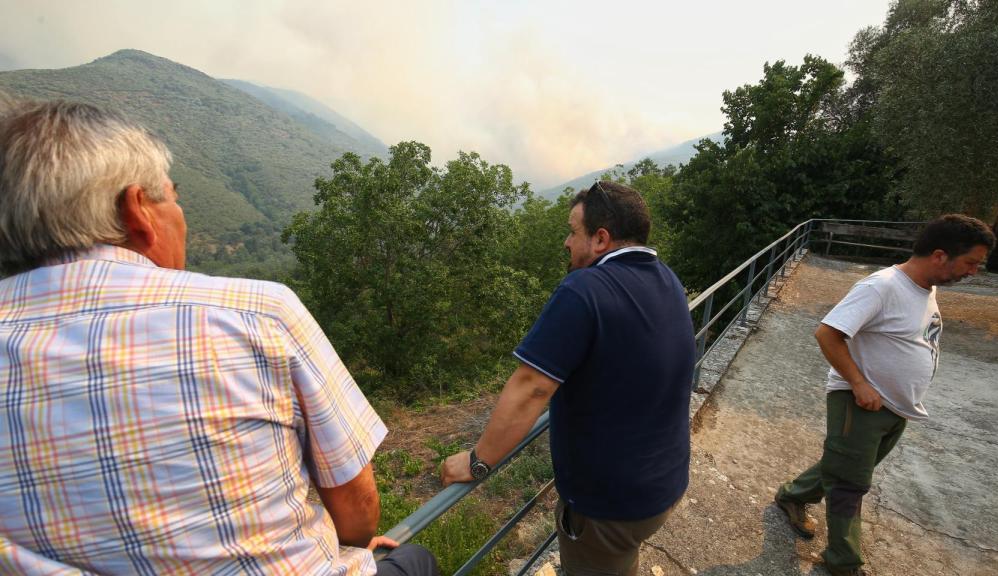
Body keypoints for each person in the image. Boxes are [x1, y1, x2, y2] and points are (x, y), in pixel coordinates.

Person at [0, 100, 438, 576]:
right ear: (137, 211)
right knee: (415, 559)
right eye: (173, 195)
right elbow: (357, 510)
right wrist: (352, 545)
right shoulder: (256, 313)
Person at [441, 181, 696, 576]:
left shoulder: (585, 288)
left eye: (572, 232)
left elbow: (532, 387)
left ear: (600, 239)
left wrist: (478, 463)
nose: (565, 242)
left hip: (610, 507)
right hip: (664, 485)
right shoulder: (667, 280)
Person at [774, 215, 996, 576]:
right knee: (850, 484)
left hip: (895, 406)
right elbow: (827, 334)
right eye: (971, 262)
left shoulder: (925, 289)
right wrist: (860, 384)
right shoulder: (882, 287)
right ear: (940, 255)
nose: (973, 272)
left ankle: (793, 495)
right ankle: (843, 562)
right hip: (860, 402)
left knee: (847, 465)